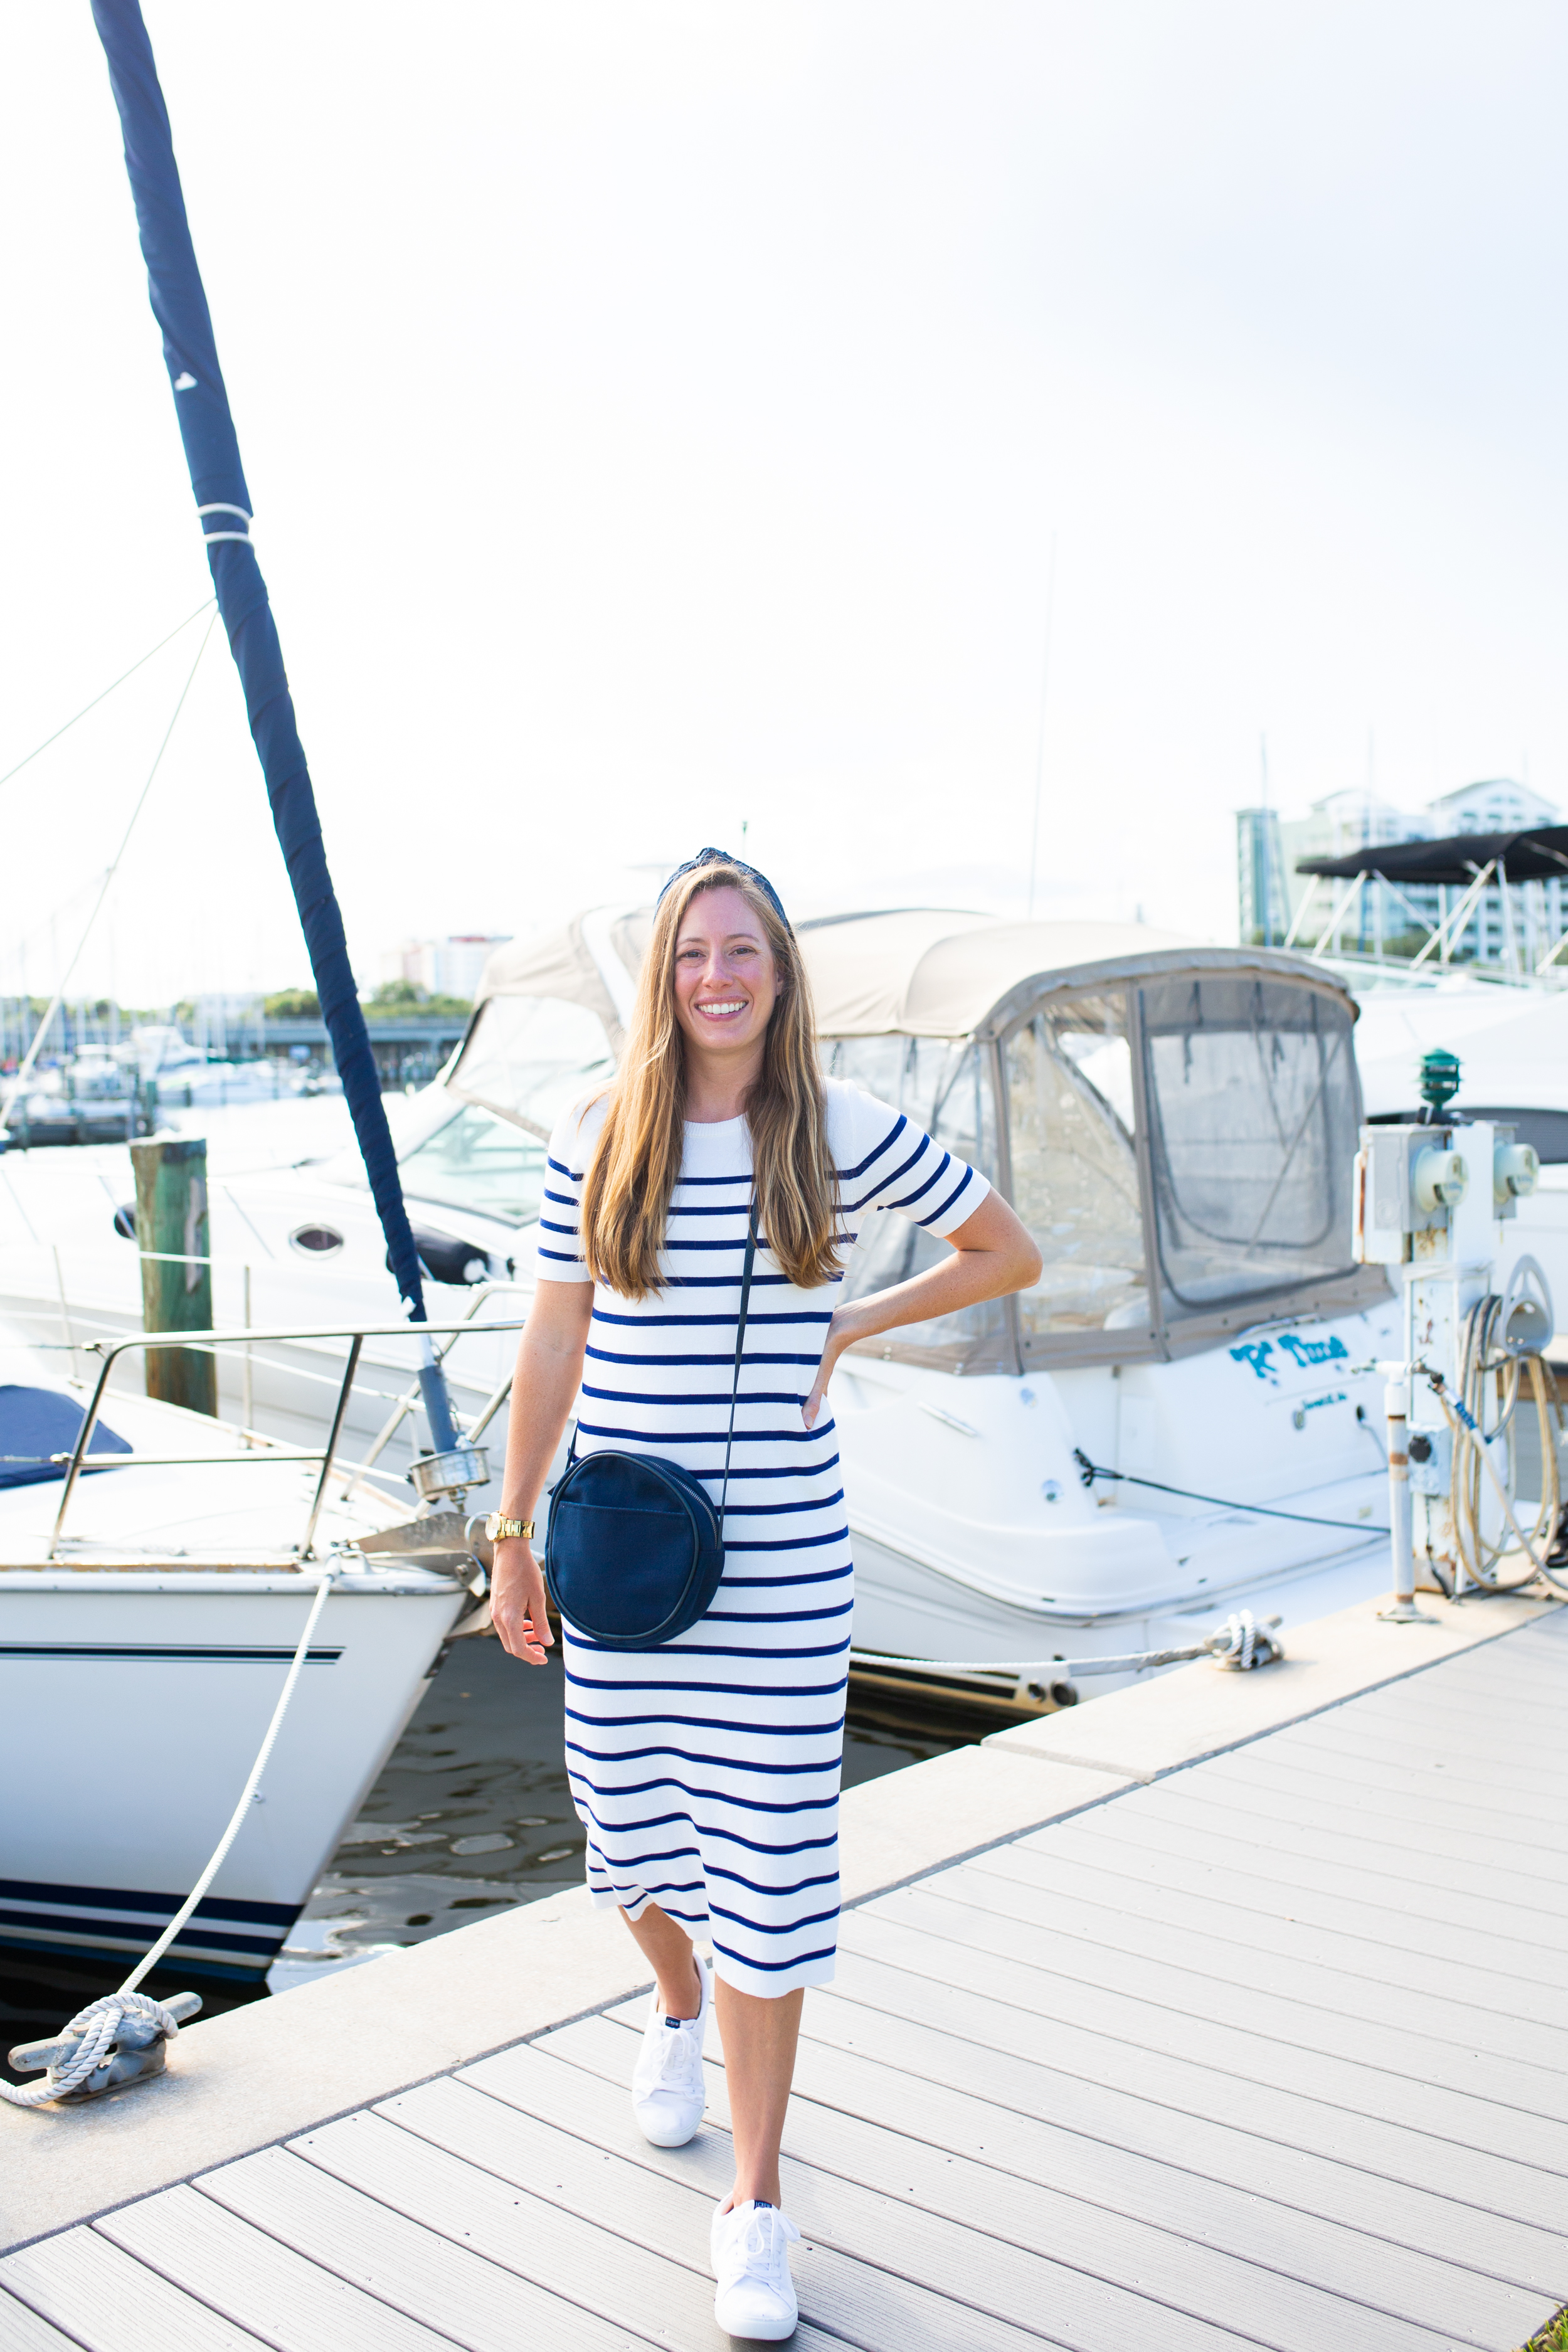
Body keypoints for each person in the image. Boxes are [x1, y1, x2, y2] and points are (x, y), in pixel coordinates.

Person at [489, 849, 1041, 2339]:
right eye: (690, 956)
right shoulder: (598, 1130)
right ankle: (672, 2001)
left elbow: (1008, 1248)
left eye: (742, 951)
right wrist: (508, 1530)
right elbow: (548, 1349)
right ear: (662, 981)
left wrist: (856, 1319)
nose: (718, 978)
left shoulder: (842, 1130)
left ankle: (755, 2203)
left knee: (773, 1882)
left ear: (780, 973)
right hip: (616, 1556)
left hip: (786, 1574)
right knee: (621, 1843)